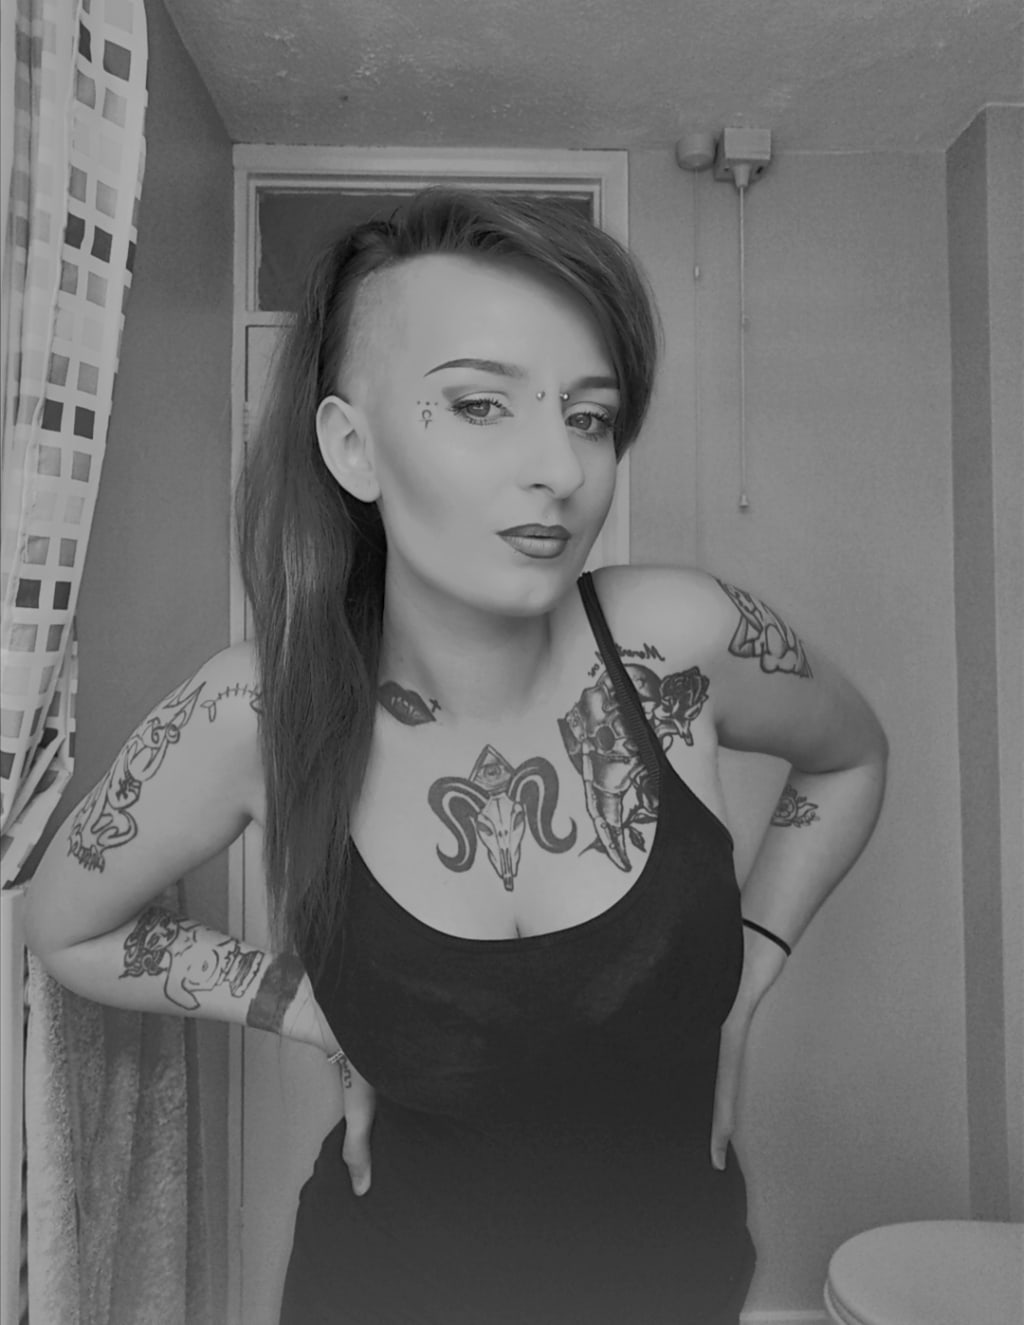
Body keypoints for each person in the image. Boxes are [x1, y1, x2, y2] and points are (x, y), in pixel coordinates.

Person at [24, 188, 888, 1324]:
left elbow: (849, 758)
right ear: (353, 447)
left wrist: (750, 971)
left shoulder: (685, 641)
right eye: (481, 404)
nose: (560, 467)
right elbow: (68, 923)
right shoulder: (260, 710)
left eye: (589, 416)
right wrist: (304, 1006)